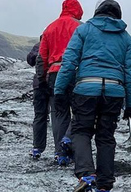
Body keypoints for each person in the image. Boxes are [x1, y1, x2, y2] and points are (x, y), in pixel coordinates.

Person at [54, 0, 131, 192]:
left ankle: (86, 173)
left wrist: (59, 91)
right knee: (106, 137)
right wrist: (130, 104)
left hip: (86, 88)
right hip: (114, 92)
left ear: (97, 11)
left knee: (81, 131)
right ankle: (104, 187)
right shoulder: (126, 38)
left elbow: (69, 62)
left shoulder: (84, 31)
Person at [35, 0, 84, 165]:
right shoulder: (80, 27)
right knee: (80, 111)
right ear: (78, 11)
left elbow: (42, 57)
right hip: (76, 73)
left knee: (58, 113)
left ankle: (59, 153)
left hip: (54, 75)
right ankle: (69, 141)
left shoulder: (50, 27)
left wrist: (41, 79)